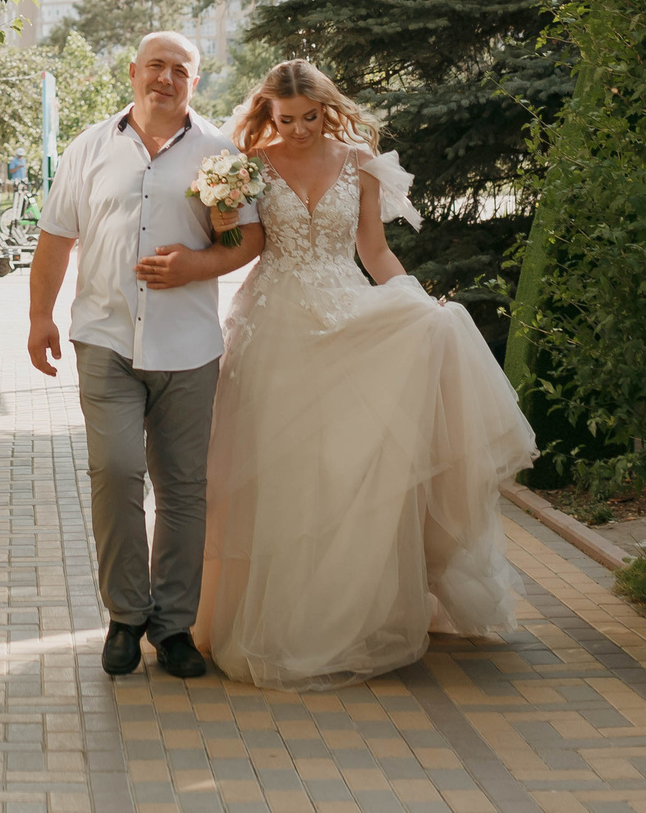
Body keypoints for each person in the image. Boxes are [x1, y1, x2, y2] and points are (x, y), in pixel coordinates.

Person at [135, 58, 536, 689]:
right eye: (285, 118)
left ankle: (349, 615)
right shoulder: (251, 167)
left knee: (346, 470)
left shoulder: (359, 163)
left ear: (328, 108)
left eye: (309, 117)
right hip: (276, 325)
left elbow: (373, 248)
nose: (297, 130)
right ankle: (273, 619)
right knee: (281, 472)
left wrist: (411, 299)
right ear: (269, 114)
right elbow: (251, 247)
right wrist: (207, 237)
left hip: (347, 311)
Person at [26, 30, 261, 679]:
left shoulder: (220, 154)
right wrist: (39, 316)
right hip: (104, 338)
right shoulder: (89, 148)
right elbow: (54, 240)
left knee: (185, 488)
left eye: (179, 69)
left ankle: (175, 625)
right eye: (156, 65)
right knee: (118, 472)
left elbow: (248, 240)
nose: (165, 77)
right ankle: (126, 616)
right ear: (132, 72)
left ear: (195, 80)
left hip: (189, 348)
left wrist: (196, 265)